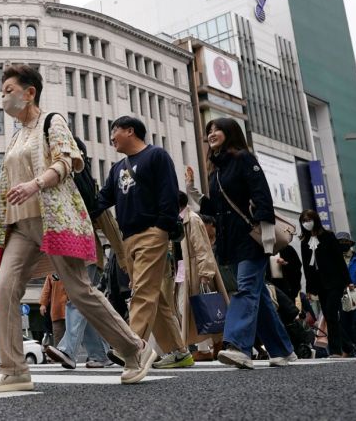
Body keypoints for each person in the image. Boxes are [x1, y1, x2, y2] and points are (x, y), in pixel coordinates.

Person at [0, 65, 153, 393]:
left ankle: (135, 348)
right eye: (2, 92)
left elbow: (66, 161)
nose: (3, 98)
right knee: (5, 289)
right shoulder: (16, 135)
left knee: (80, 291)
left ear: (30, 92)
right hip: (20, 226)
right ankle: (13, 370)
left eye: (9, 91)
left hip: (54, 220)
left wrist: (35, 184)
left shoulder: (52, 121)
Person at [187, 117, 294, 369]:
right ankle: (282, 350)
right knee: (258, 296)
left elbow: (261, 194)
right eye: (209, 130)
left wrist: (266, 233)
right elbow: (214, 208)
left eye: (217, 129)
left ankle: (237, 346)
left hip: (251, 237)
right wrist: (192, 190)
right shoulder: (216, 169)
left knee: (245, 289)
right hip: (230, 241)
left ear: (230, 132)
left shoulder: (244, 159)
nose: (211, 133)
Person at [94, 116, 190, 369]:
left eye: (114, 130)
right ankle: (179, 352)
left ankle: (130, 346)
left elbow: (169, 192)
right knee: (153, 295)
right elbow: (103, 199)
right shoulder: (117, 168)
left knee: (142, 293)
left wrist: (162, 227)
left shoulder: (156, 156)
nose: (111, 137)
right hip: (128, 239)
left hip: (151, 233)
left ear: (130, 131)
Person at [175, 191, 229, 363]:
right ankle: (212, 343)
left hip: (194, 269)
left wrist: (205, 273)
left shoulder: (192, 219)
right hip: (183, 270)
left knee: (197, 308)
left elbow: (202, 247)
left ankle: (206, 347)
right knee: (188, 309)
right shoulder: (180, 219)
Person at [300, 210, 353, 357]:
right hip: (319, 284)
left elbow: (339, 259)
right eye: (304, 220)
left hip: (335, 281)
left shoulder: (328, 236)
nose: (307, 223)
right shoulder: (304, 242)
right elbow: (307, 267)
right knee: (329, 316)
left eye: (309, 219)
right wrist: (309, 288)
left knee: (330, 313)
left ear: (316, 220)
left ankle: (336, 350)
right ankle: (347, 346)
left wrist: (348, 281)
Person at [45, 264, 112, 369]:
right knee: (86, 303)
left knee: (78, 297)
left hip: (85, 257)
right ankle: (100, 355)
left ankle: (68, 350)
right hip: (81, 258)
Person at [38, 273, 67, 346]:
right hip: (57, 312)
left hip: (74, 312)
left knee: (74, 337)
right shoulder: (52, 273)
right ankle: (58, 352)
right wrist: (43, 304)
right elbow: (46, 290)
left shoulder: (74, 269)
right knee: (58, 338)